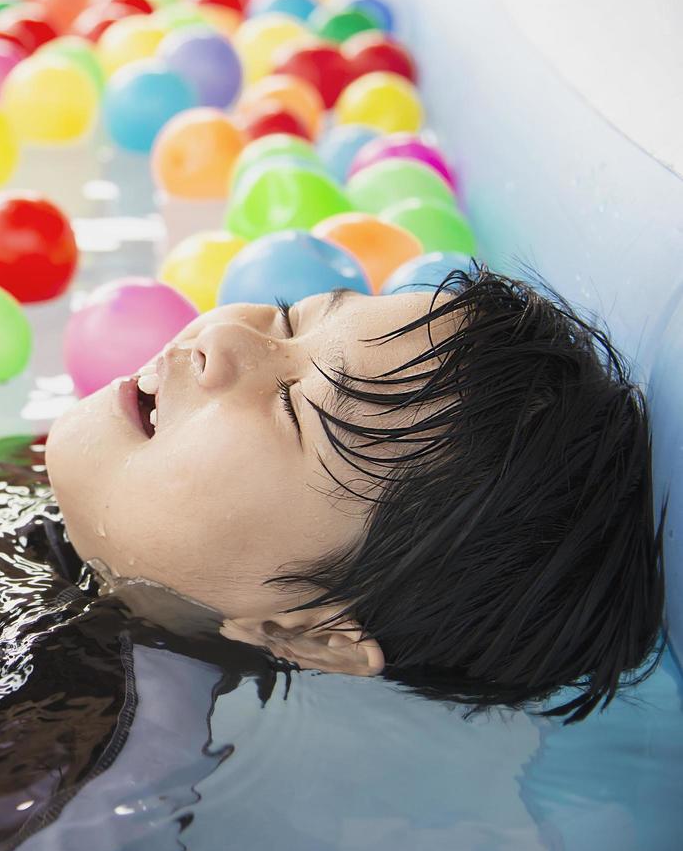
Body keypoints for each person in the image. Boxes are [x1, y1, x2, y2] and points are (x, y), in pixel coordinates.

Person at [46, 266, 667, 722]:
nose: (227, 335)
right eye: (292, 319)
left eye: (293, 408)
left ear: (315, 640)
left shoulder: (77, 743)